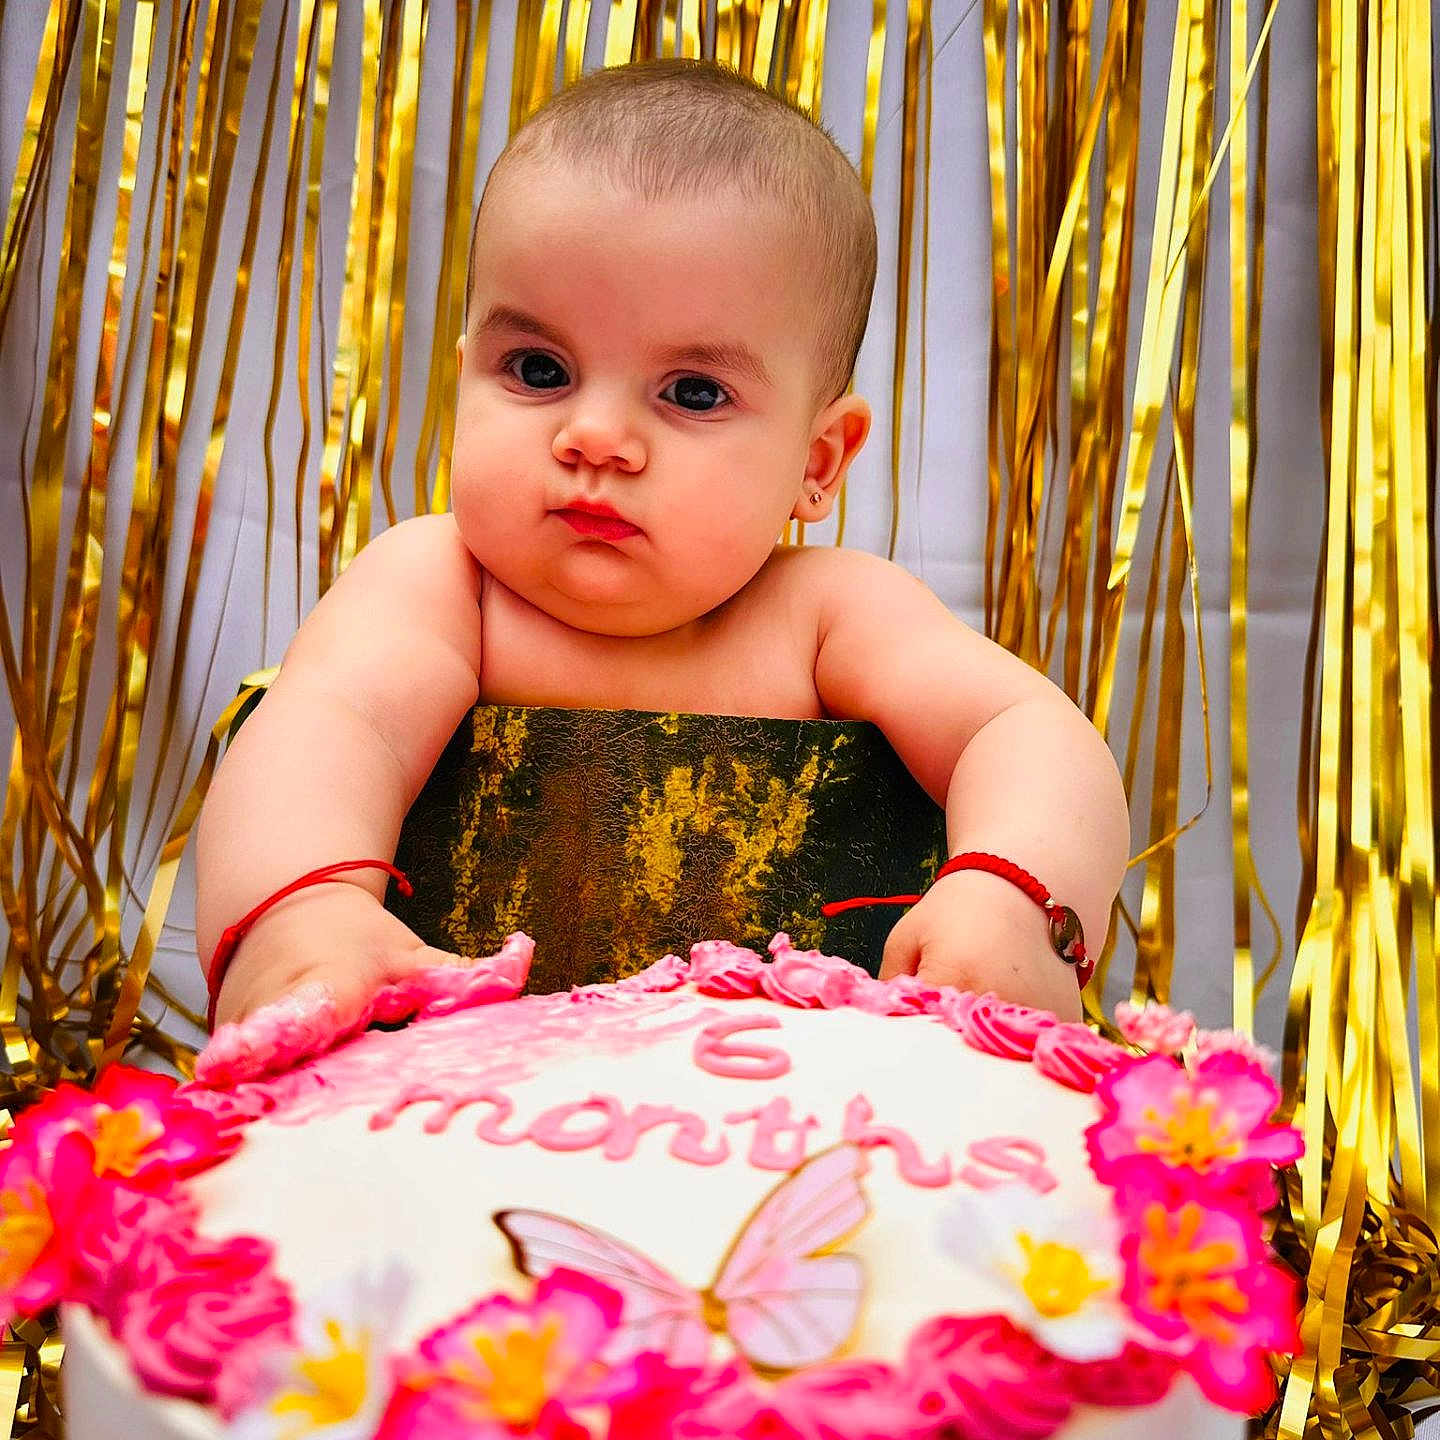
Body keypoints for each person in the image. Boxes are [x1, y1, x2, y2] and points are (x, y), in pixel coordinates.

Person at [196, 58, 1129, 1033]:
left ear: (817, 459)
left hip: (796, 1125)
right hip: (450, 1117)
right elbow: (333, 727)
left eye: (692, 392)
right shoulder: (440, 586)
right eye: (539, 368)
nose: (594, 436)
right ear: (464, 374)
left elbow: (1025, 731)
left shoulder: (828, 616)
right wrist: (303, 913)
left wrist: (1012, 891)